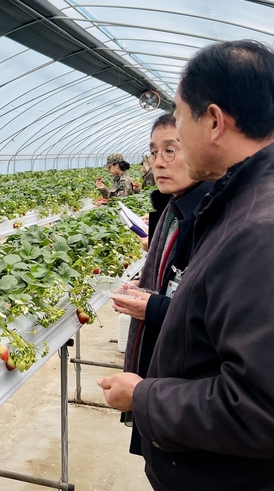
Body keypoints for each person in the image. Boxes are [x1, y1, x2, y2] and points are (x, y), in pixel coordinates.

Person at [98, 40, 274, 490]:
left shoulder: (269, 229)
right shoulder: (261, 200)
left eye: (179, 116)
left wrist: (144, 396)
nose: (174, 132)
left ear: (213, 121)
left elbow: (269, 412)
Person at [110, 112, 212, 455]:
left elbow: (209, 311)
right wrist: (150, 281)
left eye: (171, 150)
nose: (158, 163)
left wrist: (152, 305)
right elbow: (179, 281)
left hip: (189, 389)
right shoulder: (174, 209)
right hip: (165, 365)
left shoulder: (212, 217)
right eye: (153, 153)